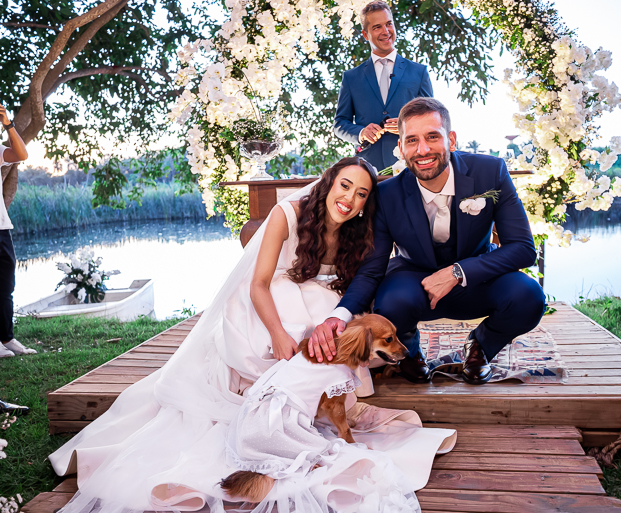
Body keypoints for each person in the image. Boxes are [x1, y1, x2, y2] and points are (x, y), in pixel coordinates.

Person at [49, 157, 455, 513]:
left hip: (319, 297)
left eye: (362, 193)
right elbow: (258, 284)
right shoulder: (288, 214)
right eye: (345, 186)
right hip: (269, 296)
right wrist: (278, 334)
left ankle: (317, 396)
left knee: (327, 313)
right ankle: (276, 394)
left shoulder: (358, 230)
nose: (350, 198)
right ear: (329, 183)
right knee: (299, 318)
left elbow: (359, 284)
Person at [311, 97, 547, 385]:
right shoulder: (387, 195)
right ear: (401, 148)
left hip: (478, 278)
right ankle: (409, 352)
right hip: (415, 281)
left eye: (432, 137)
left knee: (529, 297)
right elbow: (372, 269)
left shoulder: (490, 173)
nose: (422, 150)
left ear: (451, 140)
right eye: (412, 140)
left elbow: (523, 248)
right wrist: (340, 315)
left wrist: (458, 272)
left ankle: (480, 348)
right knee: (390, 302)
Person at [333, 1, 433, 171]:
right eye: (377, 27)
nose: (386, 31)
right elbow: (340, 124)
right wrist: (361, 133)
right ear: (365, 34)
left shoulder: (419, 72)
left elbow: (431, 118)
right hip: (368, 169)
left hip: (412, 165)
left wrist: (406, 126)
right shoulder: (351, 78)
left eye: (389, 24)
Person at [0, 104, 36, 358]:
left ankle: (7, 338)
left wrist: (8, 125)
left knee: (5, 285)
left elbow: (21, 154)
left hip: (1, 226)